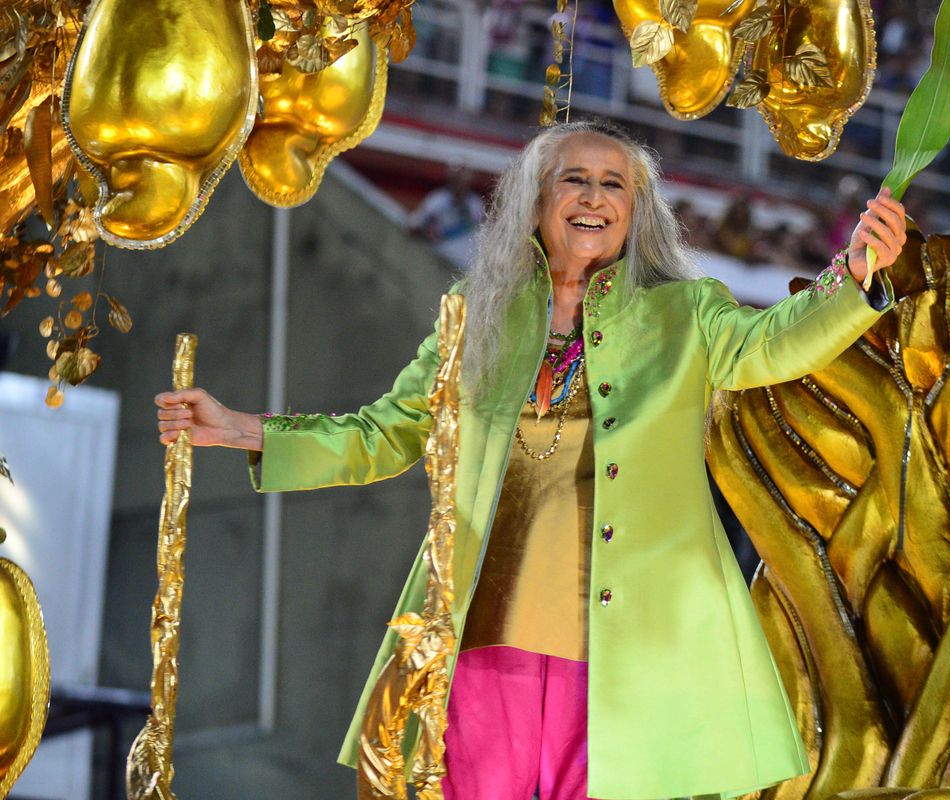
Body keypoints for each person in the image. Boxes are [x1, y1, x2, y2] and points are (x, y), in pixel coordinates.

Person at [155, 119, 908, 800]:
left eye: (615, 183)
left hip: (627, 656)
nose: (594, 196)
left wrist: (856, 276)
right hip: (486, 641)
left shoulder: (687, 312)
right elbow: (385, 433)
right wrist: (246, 430)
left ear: (637, 210)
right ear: (533, 200)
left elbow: (773, 343)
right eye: (573, 178)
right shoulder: (474, 315)